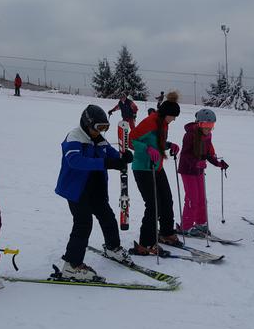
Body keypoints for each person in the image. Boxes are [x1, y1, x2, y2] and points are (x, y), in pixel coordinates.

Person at [55, 104, 134, 281]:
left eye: (105, 128)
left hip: (96, 187)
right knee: (83, 223)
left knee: (107, 217)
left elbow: (111, 153)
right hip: (76, 189)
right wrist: (105, 164)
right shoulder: (74, 137)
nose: (100, 132)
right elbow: (75, 161)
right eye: (98, 128)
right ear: (86, 123)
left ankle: (113, 247)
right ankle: (71, 265)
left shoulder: (99, 139)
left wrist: (122, 158)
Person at [128, 91, 182, 256]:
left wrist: (168, 145)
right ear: (166, 114)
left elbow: (155, 141)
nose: (174, 120)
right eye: (173, 117)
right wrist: (147, 149)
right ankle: (146, 243)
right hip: (143, 168)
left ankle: (166, 232)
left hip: (156, 167)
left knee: (166, 199)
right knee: (153, 204)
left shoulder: (163, 123)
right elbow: (131, 140)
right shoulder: (151, 122)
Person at [177, 108, 229, 237]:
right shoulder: (190, 134)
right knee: (192, 198)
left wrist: (218, 163)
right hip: (188, 170)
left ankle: (200, 223)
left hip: (199, 170)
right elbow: (185, 154)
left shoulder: (208, 135)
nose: (208, 128)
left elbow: (207, 154)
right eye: (205, 125)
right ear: (198, 123)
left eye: (211, 125)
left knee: (201, 198)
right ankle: (186, 226)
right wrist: (196, 163)